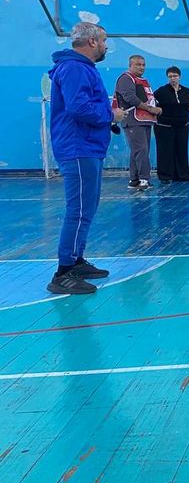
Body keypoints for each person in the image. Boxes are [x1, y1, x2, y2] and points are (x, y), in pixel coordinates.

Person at [46, 22, 127, 295]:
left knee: (87, 207)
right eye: (103, 40)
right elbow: (79, 108)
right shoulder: (75, 68)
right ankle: (63, 272)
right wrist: (111, 115)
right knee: (79, 209)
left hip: (87, 146)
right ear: (92, 41)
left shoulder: (81, 68)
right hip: (78, 147)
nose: (105, 46)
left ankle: (76, 260)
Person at [115, 54, 161, 190]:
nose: (141, 67)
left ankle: (134, 180)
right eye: (138, 64)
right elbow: (130, 98)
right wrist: (150, 109)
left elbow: (147, 98)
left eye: (143, 65)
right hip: (133, 119)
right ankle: (144, 179)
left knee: (138, 150)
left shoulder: (142, 81)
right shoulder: (125, 78)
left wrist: (155, 108)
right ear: (130, 65)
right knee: (141, 150)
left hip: (144, 120)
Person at [154, 65, 189, 183]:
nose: (172, 78)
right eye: (170, 76)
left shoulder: (186, 91)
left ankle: (182, 175)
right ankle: (165, 176)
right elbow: (153, 105)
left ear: (179, 77)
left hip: (182, 126)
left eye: (175, 76)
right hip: (164, 127)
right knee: (165, 151)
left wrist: (182, 115)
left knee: (182, 150)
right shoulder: (161, 91)